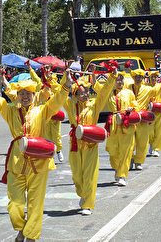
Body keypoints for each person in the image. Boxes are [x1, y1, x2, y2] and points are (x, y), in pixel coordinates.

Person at [0, 70, 72, 242]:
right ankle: (22, 228)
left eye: (28, 94)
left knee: (35, 202)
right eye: (22, 94)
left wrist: (67, 85)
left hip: (39, 162)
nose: (25, 96)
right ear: (17, 96)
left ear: (35, 95)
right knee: (15, 203)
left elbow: (56, 102)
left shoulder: (42, 111)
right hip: (16, 162)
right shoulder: (10, 112)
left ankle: (30, 236)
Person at [64, 67, 117, 216]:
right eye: (81, 92)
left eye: (87, 91)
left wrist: (112, 77)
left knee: (90, 174)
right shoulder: (70, 106)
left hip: (90, 144)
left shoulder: (94, 105)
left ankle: (87, 204)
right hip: (74, 144)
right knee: (77, 175)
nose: (85, 94)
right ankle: (83, 193)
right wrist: (65, 78)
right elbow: (59, 94)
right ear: (75, 94)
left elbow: (105, 92)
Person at [124, 65, 161, 170]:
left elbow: (160, 89)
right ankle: (130, 158)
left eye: (140, 77)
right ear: (133, 78)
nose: (138, 78)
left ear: (143, 78)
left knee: (143, 142)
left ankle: (138, 161)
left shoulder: (148, 89)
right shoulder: (128, 88)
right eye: (136, 76)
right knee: (129, 142)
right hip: (131, 118)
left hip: (144, 118)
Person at [104, 72, 138, 186]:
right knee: (113, 151)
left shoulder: (129, 93)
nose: (120, 82)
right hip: (113, 123)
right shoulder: (109, 92)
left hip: (126, 123)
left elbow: (135, 105)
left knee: (126, 151)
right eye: (117, 80)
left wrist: (132, 108)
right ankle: (117, 169)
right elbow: (96, 86)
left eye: (121, 80)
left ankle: (122, 175)